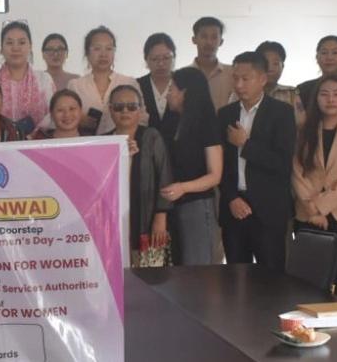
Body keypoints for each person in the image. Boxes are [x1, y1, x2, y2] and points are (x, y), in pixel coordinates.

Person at [218, 52, 296, 272]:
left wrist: (245, 145)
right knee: (235, 277)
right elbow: (219, 164)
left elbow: (282, 163)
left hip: (268, 210)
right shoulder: (225, 114)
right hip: (234, 207)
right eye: (235, 78)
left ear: (262, 79)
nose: (239, 85)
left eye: (246, 78)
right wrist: (231, 197)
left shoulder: (282, 113)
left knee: (271, 279)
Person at [291, 73, 337, 299]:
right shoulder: (303, 130)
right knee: (308, 277)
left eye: (336, 94)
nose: (331, 99)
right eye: (324, 94)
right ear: (316, 100)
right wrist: (312, 209)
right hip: (307, 213)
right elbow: (295, 171)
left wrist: (321, 206)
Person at [161, 67, 223, 265]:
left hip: (197, 205)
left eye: (172, 88)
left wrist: (183, 187)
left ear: (185, 92)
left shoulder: (206, 124)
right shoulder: (171, 121)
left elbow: (215, 175)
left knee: (197, 269)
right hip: (172, 205)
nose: (168, 93)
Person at [108, 85, 173, 267]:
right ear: (110, 109)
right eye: (119, 107)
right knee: (118, 273)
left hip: (147, 217)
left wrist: (161, 216)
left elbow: (164, 176)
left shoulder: (151, 137)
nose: (125, 111)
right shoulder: (103, 141)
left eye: (131, 106)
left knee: (150, 275)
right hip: (114, 221)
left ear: (141, 109)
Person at [68, 26, 144, 135]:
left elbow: (142, 118)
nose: (103, 54)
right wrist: (77, 119)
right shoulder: (75, 85)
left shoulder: (129, 83)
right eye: (97, 48)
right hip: (87, 143)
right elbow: (63, 117)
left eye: (109, 48)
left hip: (123, 142)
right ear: (87, 53)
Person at [0, 21, 55, 134]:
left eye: (21, 42)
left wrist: (32, 137)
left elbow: (53, 114)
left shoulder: (44, 79)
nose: (15, 48)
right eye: (9, 43)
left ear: (30, 46)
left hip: (37, 142)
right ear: (1, 48)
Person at [254, 41, 305, 128]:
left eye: (275, 63)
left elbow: (301, 123)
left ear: (282, 67)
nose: (270, 68)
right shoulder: (242, 91)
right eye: (266, 63)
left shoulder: (291, 93)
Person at [138, 33, 179, 134]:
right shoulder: (137, 85)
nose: (161, 64)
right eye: (154, 59)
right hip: (145, 142)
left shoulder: (183, 83)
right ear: (146, 60)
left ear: (174, 57)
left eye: (166, 58)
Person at [189, 17, 233, 111]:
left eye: (214, 37)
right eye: (204, 36)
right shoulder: (183, 76)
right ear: (194, 39)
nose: (209, 42)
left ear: (221, 42)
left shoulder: (233, 74)